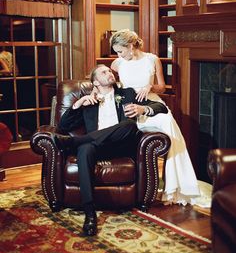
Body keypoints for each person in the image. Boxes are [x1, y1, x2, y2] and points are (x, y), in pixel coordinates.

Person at [54, 64, 168, 236]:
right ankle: (90, 213)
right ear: (95, 82)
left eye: (110, 70)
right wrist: (78, 104)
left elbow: (162, 108)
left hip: (121, 146)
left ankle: (74, 142)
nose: (110, 73)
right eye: (104, 72)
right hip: (96, 147)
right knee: (85, 150)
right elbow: (62, 126)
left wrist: (143, 108)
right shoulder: (88, 100)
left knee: (129, 125)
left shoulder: (128, 93)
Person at [110, 29, 211, 208]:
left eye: (121, 51)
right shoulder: (117, 64)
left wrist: (149, 86)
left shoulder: (152, 59)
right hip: (131, 109)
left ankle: (175, 188)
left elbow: (162, 88)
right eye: (117, 52)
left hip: (153, 105)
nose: (118, 55)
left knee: (170, 127)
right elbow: (115, 88)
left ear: (131, 46)